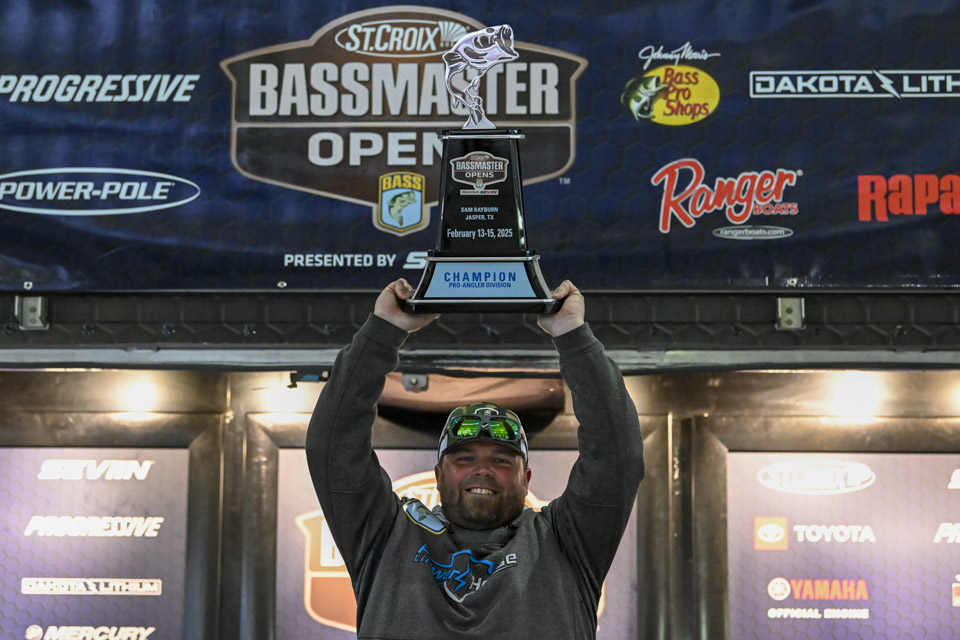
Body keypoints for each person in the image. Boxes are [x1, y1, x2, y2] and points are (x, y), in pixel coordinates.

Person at [306, 278, 644, 639]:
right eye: (464, 459)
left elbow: (616, 455)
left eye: (502, 461)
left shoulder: (567, 541)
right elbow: (333, 446)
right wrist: (382, 332)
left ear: (526, 479)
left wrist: (573, 336)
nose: (482, 470)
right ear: (438, 475)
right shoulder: (385, 536)